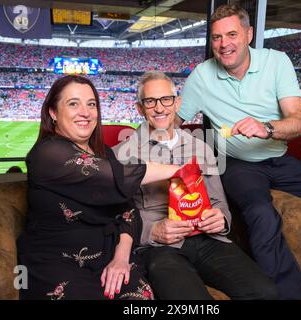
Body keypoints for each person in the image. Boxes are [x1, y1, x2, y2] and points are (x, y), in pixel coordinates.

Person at [176, 4, 301, 299]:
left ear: (249, 34)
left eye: (231, 34)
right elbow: (170, 122)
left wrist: (266, 128)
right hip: (236, 163)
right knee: (262, 215)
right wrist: (145, 117)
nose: (223, 44)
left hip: (280, 159)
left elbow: (299, 122)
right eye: (216, 37)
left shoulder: (276, 61)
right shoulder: (201, 76)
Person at [113, 71, 277, 300]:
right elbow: (117, 218)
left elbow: (219, 202)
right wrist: (152, 232)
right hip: (160, 248)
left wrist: (221, 218)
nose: (159, 108)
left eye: (166, 100)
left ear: (177, 103)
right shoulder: (121, 155)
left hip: (208, 241)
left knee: (266, 292)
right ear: (140, 109)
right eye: (150, 102)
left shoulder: (201, 148)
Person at [17, 75, 182, 300]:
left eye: (91, 104)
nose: (85, 112)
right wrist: (180, 170)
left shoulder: (105, 153)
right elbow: (119, 177)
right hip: (57, 263)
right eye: (73, 103)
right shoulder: (46, 154)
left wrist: (121, 258)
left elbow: (129, 210)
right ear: (53, 113)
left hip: (109, 256)